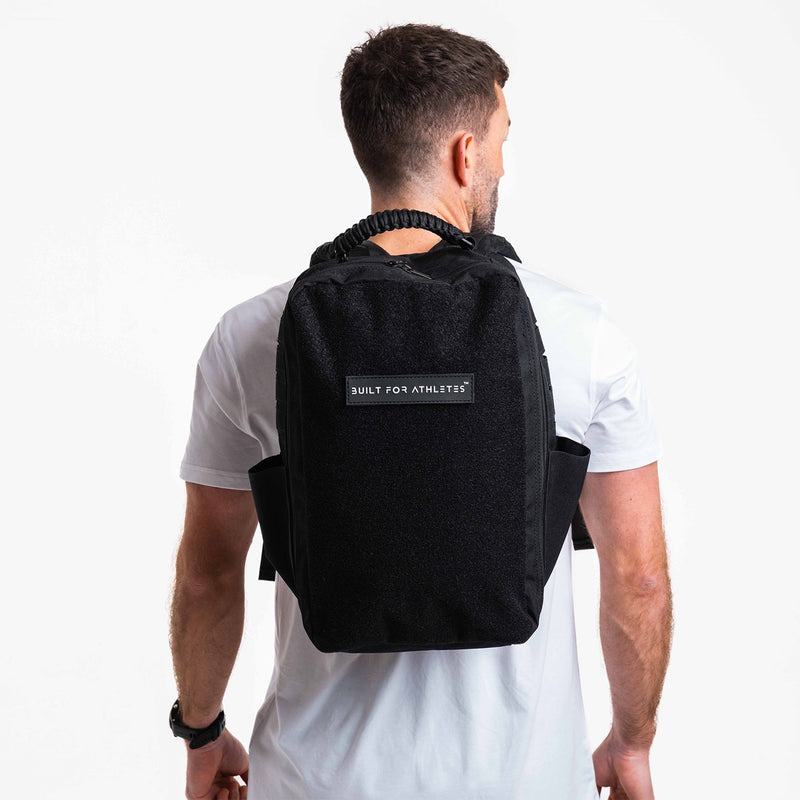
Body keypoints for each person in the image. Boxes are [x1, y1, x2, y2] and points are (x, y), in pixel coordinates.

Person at [169, 23, 672, 800]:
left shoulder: (252, 335)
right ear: (466, 154)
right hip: (522, 782)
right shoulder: (582, 334)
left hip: (314, 782)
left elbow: (207, 576)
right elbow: (638, 579)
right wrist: (631, 743)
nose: (502, 162)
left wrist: (202, 734)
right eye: (502, 138)